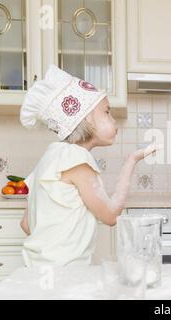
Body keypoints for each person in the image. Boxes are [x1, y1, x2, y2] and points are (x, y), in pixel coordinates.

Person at [19, 65, 157, 267]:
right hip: (64, 276)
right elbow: (110, 215)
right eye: (107, 112)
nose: (113, 120)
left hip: (36, 271)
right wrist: (131, 160)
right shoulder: (77, 159)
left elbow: (26, 224)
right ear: (84, 120)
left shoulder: (50, 157)